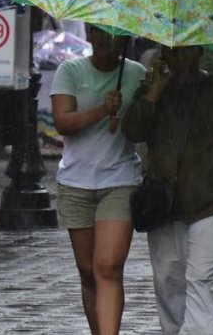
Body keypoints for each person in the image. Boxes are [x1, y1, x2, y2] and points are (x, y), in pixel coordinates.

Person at [122, 45, 213, 334]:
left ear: (200, 50)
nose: (178, 56)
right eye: (171, 50)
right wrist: (154, 93)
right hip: (164, 202)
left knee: (202, 279)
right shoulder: (153, 89)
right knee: (169, 280)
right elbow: (132, 131)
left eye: (185, 50)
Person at [50, 25, 146, 335]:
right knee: (88, 271)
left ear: (124, 38)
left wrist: (153, 93)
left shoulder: (136, 74)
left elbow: (145, 126)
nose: (105, 39)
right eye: (98, 32)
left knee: (108, 267)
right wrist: (102, 109)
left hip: (120, 180)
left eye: (113, 33)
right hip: (76, 182)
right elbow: (63, 122)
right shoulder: (69, 70)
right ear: (89, 34)